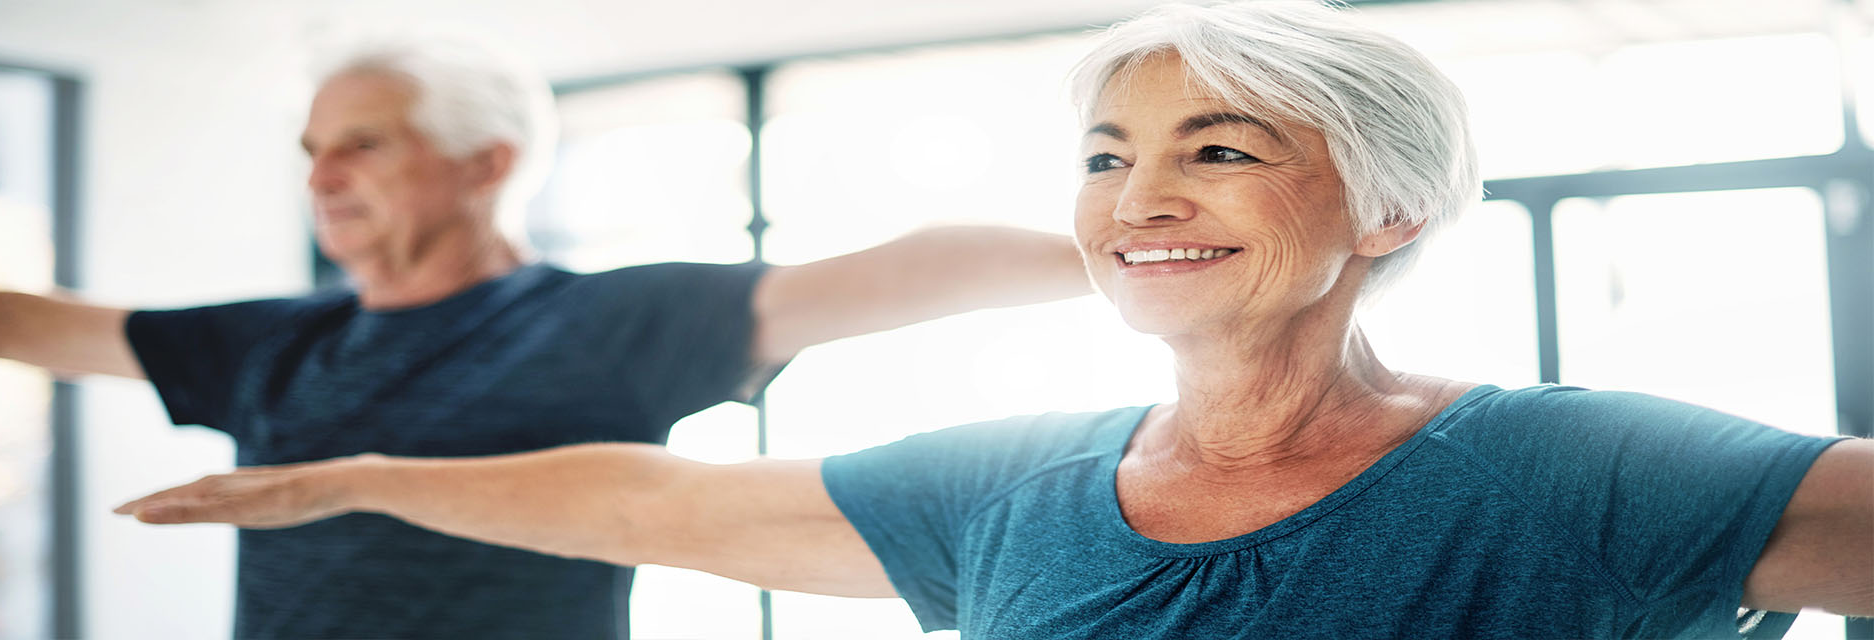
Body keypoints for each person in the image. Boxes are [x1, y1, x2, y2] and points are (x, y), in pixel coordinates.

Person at [111, 2, 1873, 638]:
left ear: (1390, 208)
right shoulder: (1020, 486)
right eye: (1109, 155)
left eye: (1219, 148)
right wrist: (348, 478)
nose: (1138, 196)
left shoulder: (1581, 470)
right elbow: (664, 506)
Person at [0, 34, 1092, 639]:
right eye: (311, 150)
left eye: (364, 145)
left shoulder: (608, 321)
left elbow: (904, 271)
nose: (323, 177)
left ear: (485, 161)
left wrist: (1149, 257)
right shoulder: (270, 343)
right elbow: (11, 321)